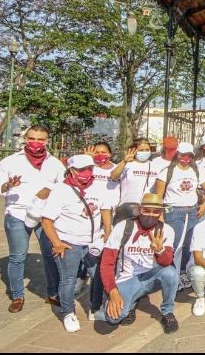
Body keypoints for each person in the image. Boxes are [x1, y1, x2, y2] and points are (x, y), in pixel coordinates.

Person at [0, 125, 65, 313]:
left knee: (51, 255)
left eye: (40, 139)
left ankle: (53, 294)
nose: (36, 143)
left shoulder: (55, 164)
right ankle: (17, 295)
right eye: (32, 139)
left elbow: (64, 187)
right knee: (17, 257)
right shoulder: (10, 162)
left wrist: (51, 190)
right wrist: (7, 186)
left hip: (45, 217)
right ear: (25, 139)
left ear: (47, 141)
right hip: (17, 215)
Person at [40, 154, 107, 332]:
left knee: (98, 275)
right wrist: (56, 243)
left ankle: (95, 306)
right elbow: (46, 220)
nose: (86, 173)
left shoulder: (99, 187)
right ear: (71, 170)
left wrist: (107, 233)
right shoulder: (60, 190)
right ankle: (68, 312)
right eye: (81, 169)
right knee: (68, 279)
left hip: (92, 243)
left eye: (90, 169)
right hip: (69, 242)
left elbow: (106, 210)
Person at [100, 194, 179, 334]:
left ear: (161, 213)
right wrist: (112, 291)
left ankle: (167, 312)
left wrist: (159, 250)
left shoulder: (166, 230)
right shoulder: (123, 227)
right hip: (127, 279)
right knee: (112, 318)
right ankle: (131, 301)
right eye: (146, 210)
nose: (151, 215)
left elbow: (166, 262)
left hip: (151, 276)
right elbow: (107, 262)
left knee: (171, 272)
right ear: (139, 210)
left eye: (156, 212)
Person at [153, 142, 205, 291]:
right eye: (182, 155)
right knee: (175, 244)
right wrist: (160, 216)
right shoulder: (166, 171)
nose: (185, 158)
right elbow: (159, 196)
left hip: (192, 212)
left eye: (189, 155)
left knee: (188, 243)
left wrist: (204, 204)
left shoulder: (196, 170)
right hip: (173, 212)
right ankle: (172, 275)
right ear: (177, 155)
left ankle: (183, 272)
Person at [81, 142, 119, 318]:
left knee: (110, 262)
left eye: (104, 152)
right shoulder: (88, 168)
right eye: (97, 152)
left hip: (113, 218)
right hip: (92, 217)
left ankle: (109, 297)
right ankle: (95, 305)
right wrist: (87, 160)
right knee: (95, 263)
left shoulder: (118, 169)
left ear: (110, 154)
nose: (100, 155)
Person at [110, 138, 159, 224]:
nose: (144, 152)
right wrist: (124, 161)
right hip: (128, 208)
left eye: (147, 150)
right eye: (141, 150)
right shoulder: (128, 164)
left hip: (147, 209)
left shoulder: (156, 166)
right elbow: (114, 176)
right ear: (134, 150)